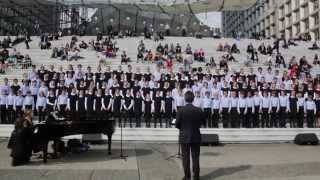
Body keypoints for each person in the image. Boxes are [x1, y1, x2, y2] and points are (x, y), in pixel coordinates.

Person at [176, 91, 205, 180]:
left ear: (185, 99)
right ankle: (196, 177)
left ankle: (187, 176)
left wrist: (183, 128)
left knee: (185, 157)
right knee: (195, 157)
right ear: (193, 99)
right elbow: (203, 123)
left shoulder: (181, 110)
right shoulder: (199, 110)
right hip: (195, 136)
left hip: (184, 136)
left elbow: (177, 124)